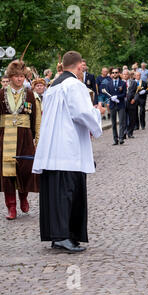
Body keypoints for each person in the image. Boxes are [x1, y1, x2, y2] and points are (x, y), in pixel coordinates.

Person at [32, 50, 102, 252]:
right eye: (83, 66)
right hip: (68, 148)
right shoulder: (74, 85)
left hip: (53, 149)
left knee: (56, 193)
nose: (83, 70)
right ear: (79, 66)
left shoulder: (53, 87)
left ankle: (58, 236)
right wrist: (97, 114)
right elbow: (81, 112)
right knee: (67, 193)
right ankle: (64, 236)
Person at [0, 59, 40, 220]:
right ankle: (11, 206)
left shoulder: (31, 94)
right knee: (7, 174)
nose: (19, 79)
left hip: (25, 138)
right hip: (5, 138)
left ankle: (23, 198)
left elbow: (36, 118)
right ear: (10, 77)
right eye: (16, 76)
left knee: (24, 170)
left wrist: (37, 138)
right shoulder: (1, 94)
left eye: (22, 76)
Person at [105, 67, 127, 145]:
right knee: (113, 123)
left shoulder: (123, 83)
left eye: (116, 72)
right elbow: (107, 94)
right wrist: (111, 98)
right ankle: (115, 139)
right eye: (113, 73)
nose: (115, 74)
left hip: (121, 104)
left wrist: (117, 97)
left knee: (121, 122)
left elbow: (124, 94)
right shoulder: (108, 84)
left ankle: (121, 138)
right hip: (112, 105)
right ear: (111, 74)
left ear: (119, 73)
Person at [123, 69, 137, 138]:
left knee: (132, 118)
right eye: (124, 74)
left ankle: (130, 133)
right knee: (124, 118)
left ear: (129, 75)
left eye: (126, 74)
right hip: (123, 103)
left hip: (131, 102)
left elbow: (137, 92)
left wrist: (134, 99)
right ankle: (124, 132)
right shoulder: (121, 82)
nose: (125, 75)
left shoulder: (133, 82)